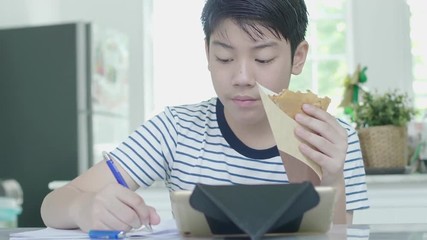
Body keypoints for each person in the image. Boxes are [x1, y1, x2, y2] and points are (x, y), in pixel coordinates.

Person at [41, 0, 369, 232]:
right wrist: (83, 208)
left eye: (264, 59)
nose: (242, 77)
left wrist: (332, 177)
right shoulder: (175, 130)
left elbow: (341, 234)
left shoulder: (332, 138)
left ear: (298, 57)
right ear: (207, 54)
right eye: (224, 58)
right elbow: (53, 204)